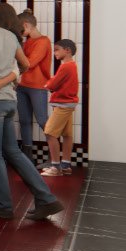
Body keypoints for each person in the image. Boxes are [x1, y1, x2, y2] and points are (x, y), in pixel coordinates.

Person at [0, 0, 63, 221]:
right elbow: (24, 64)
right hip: (8, 102)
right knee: (13, 152)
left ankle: (3, 205)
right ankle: (46, 199)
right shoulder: (9, 35)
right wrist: (8, 80)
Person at [41, 39, 80, 176]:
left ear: (67, 50)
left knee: (50, 133)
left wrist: (47, 85)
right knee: (67, 135)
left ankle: (56, 168)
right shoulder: (72, 65)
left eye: (57, 49)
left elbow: (52, 85)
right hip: (69, 104)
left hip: (63, 104)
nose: (54, 52)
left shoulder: (65, 66)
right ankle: (66, 165)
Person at [15, 11, 51, 148]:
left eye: (20, 28)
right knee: (24, 121)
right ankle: (28, 156)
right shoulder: (28, 41)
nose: (19, 32)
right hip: (22, 85)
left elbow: (29, 63)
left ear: (26, 25)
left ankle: (54, 158)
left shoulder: (44, 41)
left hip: (38, 86)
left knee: (42, 121)